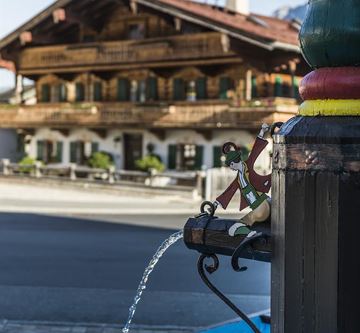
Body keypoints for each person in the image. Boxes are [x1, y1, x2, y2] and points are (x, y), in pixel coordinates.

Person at [213, 123, 271, 237]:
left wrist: (262, 131)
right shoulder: (239, 178)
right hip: (262, 205)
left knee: (234, 228)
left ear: (234, 162)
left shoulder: (247, 165)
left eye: (231, 165)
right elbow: (229, 191)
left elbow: (255, 150)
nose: (231, 168)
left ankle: (251, 235)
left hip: (261, 206)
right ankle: (252, 234)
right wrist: (216, 203)